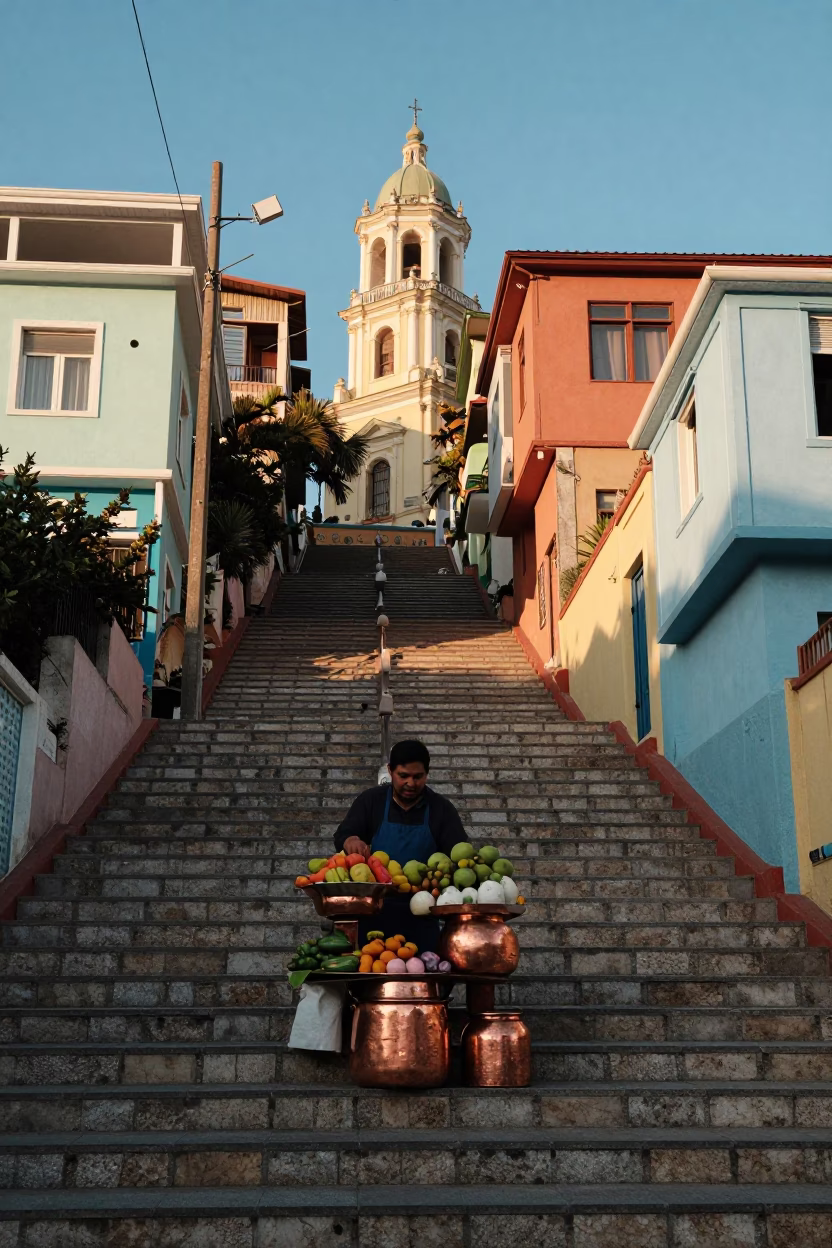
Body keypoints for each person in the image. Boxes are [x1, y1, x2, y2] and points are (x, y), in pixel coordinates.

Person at [334, 739, 467, 948]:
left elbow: (460, 857)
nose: (411, 784)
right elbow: (344, 834)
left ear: (427, 774)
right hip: (372, 915)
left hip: (422, 917)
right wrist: (351, 840)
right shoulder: (371, 801)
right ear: (390, 770)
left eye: (418, 777)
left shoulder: (441, 809)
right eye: (403, 776)